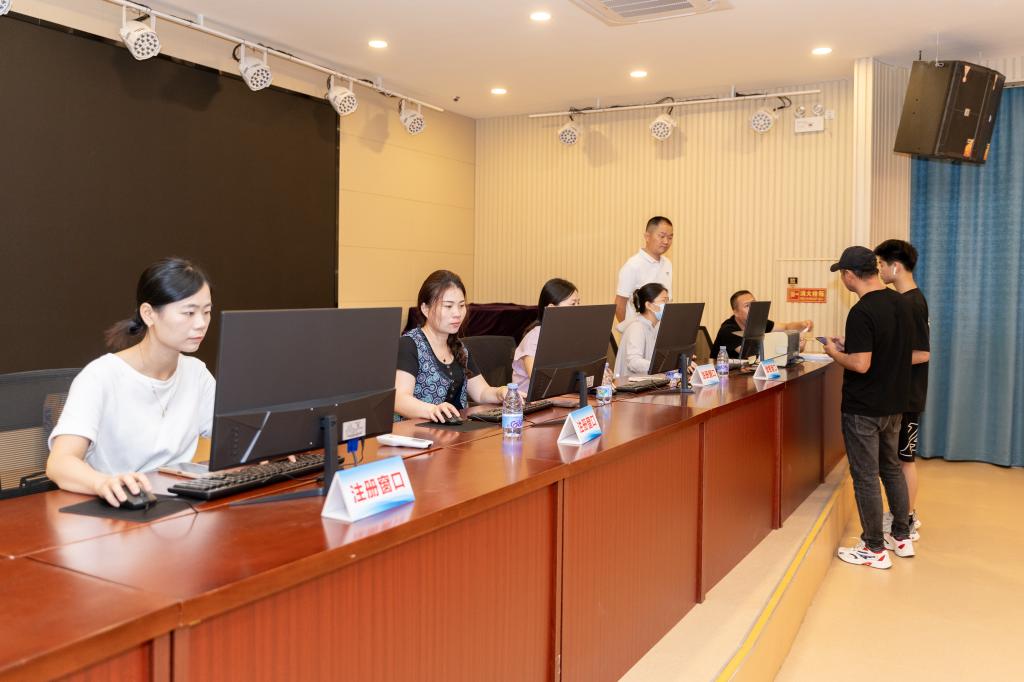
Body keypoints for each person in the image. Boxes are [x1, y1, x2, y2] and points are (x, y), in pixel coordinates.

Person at [46, 258, 215, 507]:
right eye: (189, 313)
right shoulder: (100, 376)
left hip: (175, 505)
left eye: (206, 311)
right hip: (117, 508)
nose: (201, 323)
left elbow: (236, 439)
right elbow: (59, 463)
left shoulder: (196, 373)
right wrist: (102, 483)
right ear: (149, 314)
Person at [823, 246, 914, 569]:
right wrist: (852, 346)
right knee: (891, 469)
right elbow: (889, 348)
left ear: (849, 275)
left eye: (842, 274)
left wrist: (835, 353)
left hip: (864, 408)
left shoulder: (861, 311)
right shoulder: (901, 303)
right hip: (894, 404)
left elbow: (861, 365)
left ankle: (873, 547)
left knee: (865, 477)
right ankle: (901, 536)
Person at [394, 270, 508, 422]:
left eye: (461, 305)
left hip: (455, 431)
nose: (457, 313)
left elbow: (481, 393)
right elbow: (399, 399)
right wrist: (432, 410)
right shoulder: (409, 344)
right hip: (415, 432)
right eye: (448, 306)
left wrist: (500, 392)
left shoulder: (459, 347)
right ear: (425, 309)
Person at [875, 239, 929, 538]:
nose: (879, 271)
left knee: (904, 460)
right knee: (898, 459)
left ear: (895, 266)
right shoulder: (905, 300)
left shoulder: (911, 303)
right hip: (900, 393)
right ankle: (902, 513)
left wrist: (882, 358)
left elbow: (921, 353)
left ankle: (906, 519)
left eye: (881, 265)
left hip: (909, 395)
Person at [511, 278, 581, 396]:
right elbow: (540, 383)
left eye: (579, 303)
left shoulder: (569, 336)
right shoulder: (534, 338)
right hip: (530, 403)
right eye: (573, 304)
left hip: (560, 398)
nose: (578, 309)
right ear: (552, 308)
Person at [712, 290, 813, 359]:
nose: (753, 308)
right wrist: (794, 348)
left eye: (754, 303)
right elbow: (753, 354)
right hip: (725, 376)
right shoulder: (728, 330)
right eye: (747, 306)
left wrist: (802, 325)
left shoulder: (757, 322)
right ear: (736, 312)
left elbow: (786, 327)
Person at [614, 216, 673, 331]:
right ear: (647, 236)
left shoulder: (667, 264)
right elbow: (619, 305)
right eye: (662, 236)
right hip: (639, 331)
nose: (666, 241)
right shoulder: (633, 265)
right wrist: (630, 331)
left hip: (660, 331)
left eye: (670, 237)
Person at [614, 283, 668, 378]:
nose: (668, 305)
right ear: (649, 305)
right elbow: (633, 362)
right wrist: (664, 365)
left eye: (668, 300)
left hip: (650, 381)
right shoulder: (637, 327)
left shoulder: (656, 326)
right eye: (664, 301)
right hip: (630, 384)